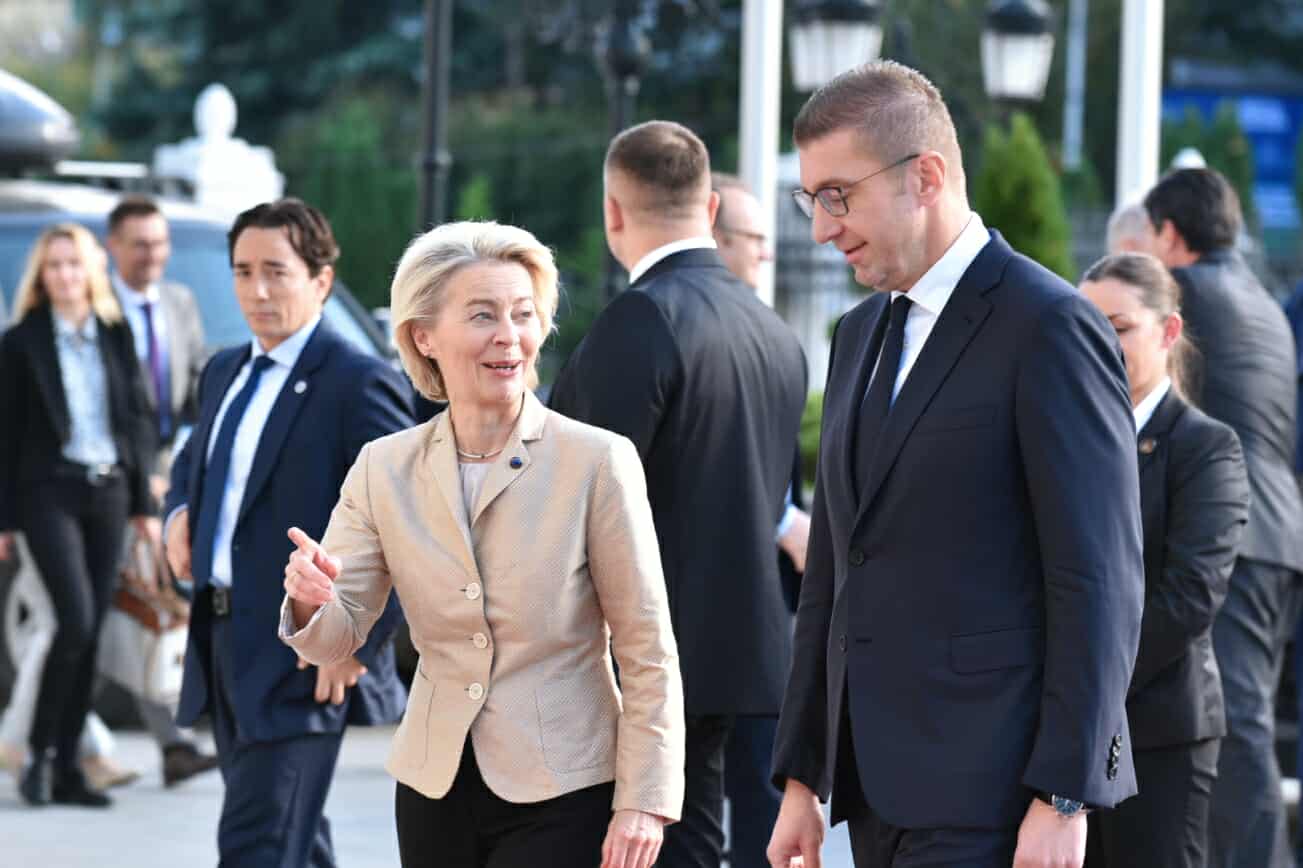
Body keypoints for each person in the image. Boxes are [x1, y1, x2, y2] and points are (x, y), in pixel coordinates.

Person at [767, 60, 1144, 868]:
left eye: (837, 195)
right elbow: (834, 569)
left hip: (996, 798)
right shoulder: (857, 336)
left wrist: (1066, 793)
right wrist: (802, 775)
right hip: (872, 795)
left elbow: (1097, 578)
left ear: (926, 177)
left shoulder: (1049, 325)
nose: (822, 228)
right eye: (811, 200)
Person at [280, 220, 685, 868]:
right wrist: (310, 599)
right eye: (482, 315)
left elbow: (646, 646)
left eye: (523, 314)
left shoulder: (596, 461)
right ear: (424, 335)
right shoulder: (384, 466)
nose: (509, 335)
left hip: (565, 785)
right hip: (434, 785)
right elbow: (336, 638)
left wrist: (645, 799)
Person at [549, 120, 808, 867]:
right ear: (711, 208)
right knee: (689, 840)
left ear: (612, 212)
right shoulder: (772, 331)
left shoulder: (641, 319)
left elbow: (576, 495)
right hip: (744, 646)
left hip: (648, 657)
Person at [162, 198, 411, 867]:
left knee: (256, 846)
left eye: (276, 271)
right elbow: (192, 463)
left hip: (302, 657)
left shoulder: (358, 382)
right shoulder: (224, 369)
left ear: (321, 280)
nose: (258, 290)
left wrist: (355, 644)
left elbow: (408, 526)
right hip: (222, 642)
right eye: (243, 272)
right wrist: (179, 516)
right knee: (292, 841)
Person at [1141, 168, 1303, 868]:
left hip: (1234, 538)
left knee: (1236, 731)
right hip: (1274, 537)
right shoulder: (1263, 302)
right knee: (1234, 723)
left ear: (1169, 235)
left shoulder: (1188, 294)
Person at [1080, 252, 1249, 868]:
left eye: (1120, 327)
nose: (1101, 344)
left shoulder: (1207, 447)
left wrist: (1088, 679)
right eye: (1087, 327)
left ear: (1169, 330)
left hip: (1159, 732)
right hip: (1066, 729)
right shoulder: (1069, 439)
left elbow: (1190, 598)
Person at [0, 223, 158, 807]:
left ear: (90, 271)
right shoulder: (21, 343)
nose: (64, 274)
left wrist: (143, 505)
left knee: (90, 633)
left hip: (109, 492)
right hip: (49, 493)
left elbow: (137, 420)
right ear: (41, 277)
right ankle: (38, 755)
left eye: (73, 263)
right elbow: (6, 434)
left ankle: (68, 767)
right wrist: (4, 518)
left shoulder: (116, 333)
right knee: (73, 620)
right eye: (53, 265)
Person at [710, 169, 812, 867]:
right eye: (754, 238)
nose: (766, 253)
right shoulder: (680, 335)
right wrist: (781, 522)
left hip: (764, 616)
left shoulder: (768, 335)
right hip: (705, 614)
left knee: (760, 801)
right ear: (715, 236)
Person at [105, 194, 217, 788]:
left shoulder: (179, 302)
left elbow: (196, 384)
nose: (153, 255)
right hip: (112, 475)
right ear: (113, 247)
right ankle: (60, 742)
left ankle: (172, 741)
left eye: (160, 243)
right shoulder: (96, 310)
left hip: (171, 467)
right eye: (140, 244)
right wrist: (140, 478)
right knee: (117, 610)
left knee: (149, 606)